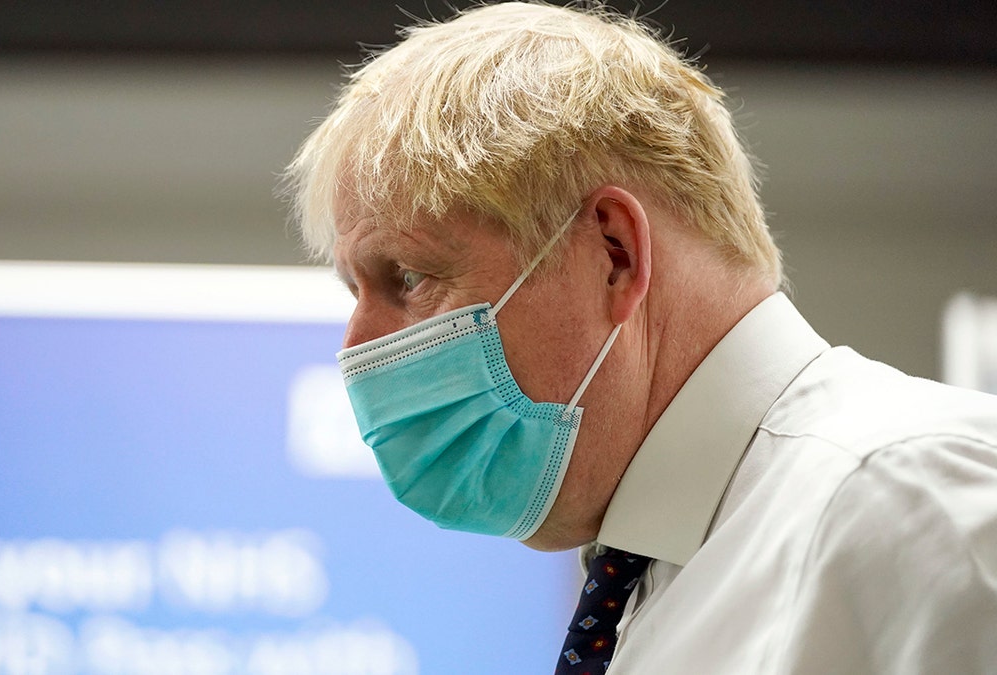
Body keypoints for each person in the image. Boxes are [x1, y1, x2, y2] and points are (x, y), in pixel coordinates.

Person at [281, 2, 997, 673]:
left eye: (408, 275)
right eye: (355, 291)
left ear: (614, 252)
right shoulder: (659, 581)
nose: (357, 346)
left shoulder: (911, 504)